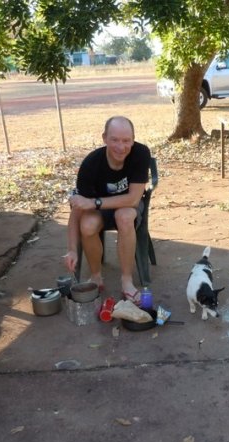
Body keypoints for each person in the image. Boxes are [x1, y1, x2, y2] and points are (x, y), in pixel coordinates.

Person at [63, 116, 151, 303]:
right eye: (115, 140)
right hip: (100, 210)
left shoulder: (141, 153)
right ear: (104, 138)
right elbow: (77, 210)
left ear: (133, 139)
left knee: (124, 216)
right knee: (87, 225)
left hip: (128, 207)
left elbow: (133, 199)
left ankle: (126, 280)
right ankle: (96, 276)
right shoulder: (91, 164)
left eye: (126, 140)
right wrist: (72, 250)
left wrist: (94, 203)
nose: (121, 147)